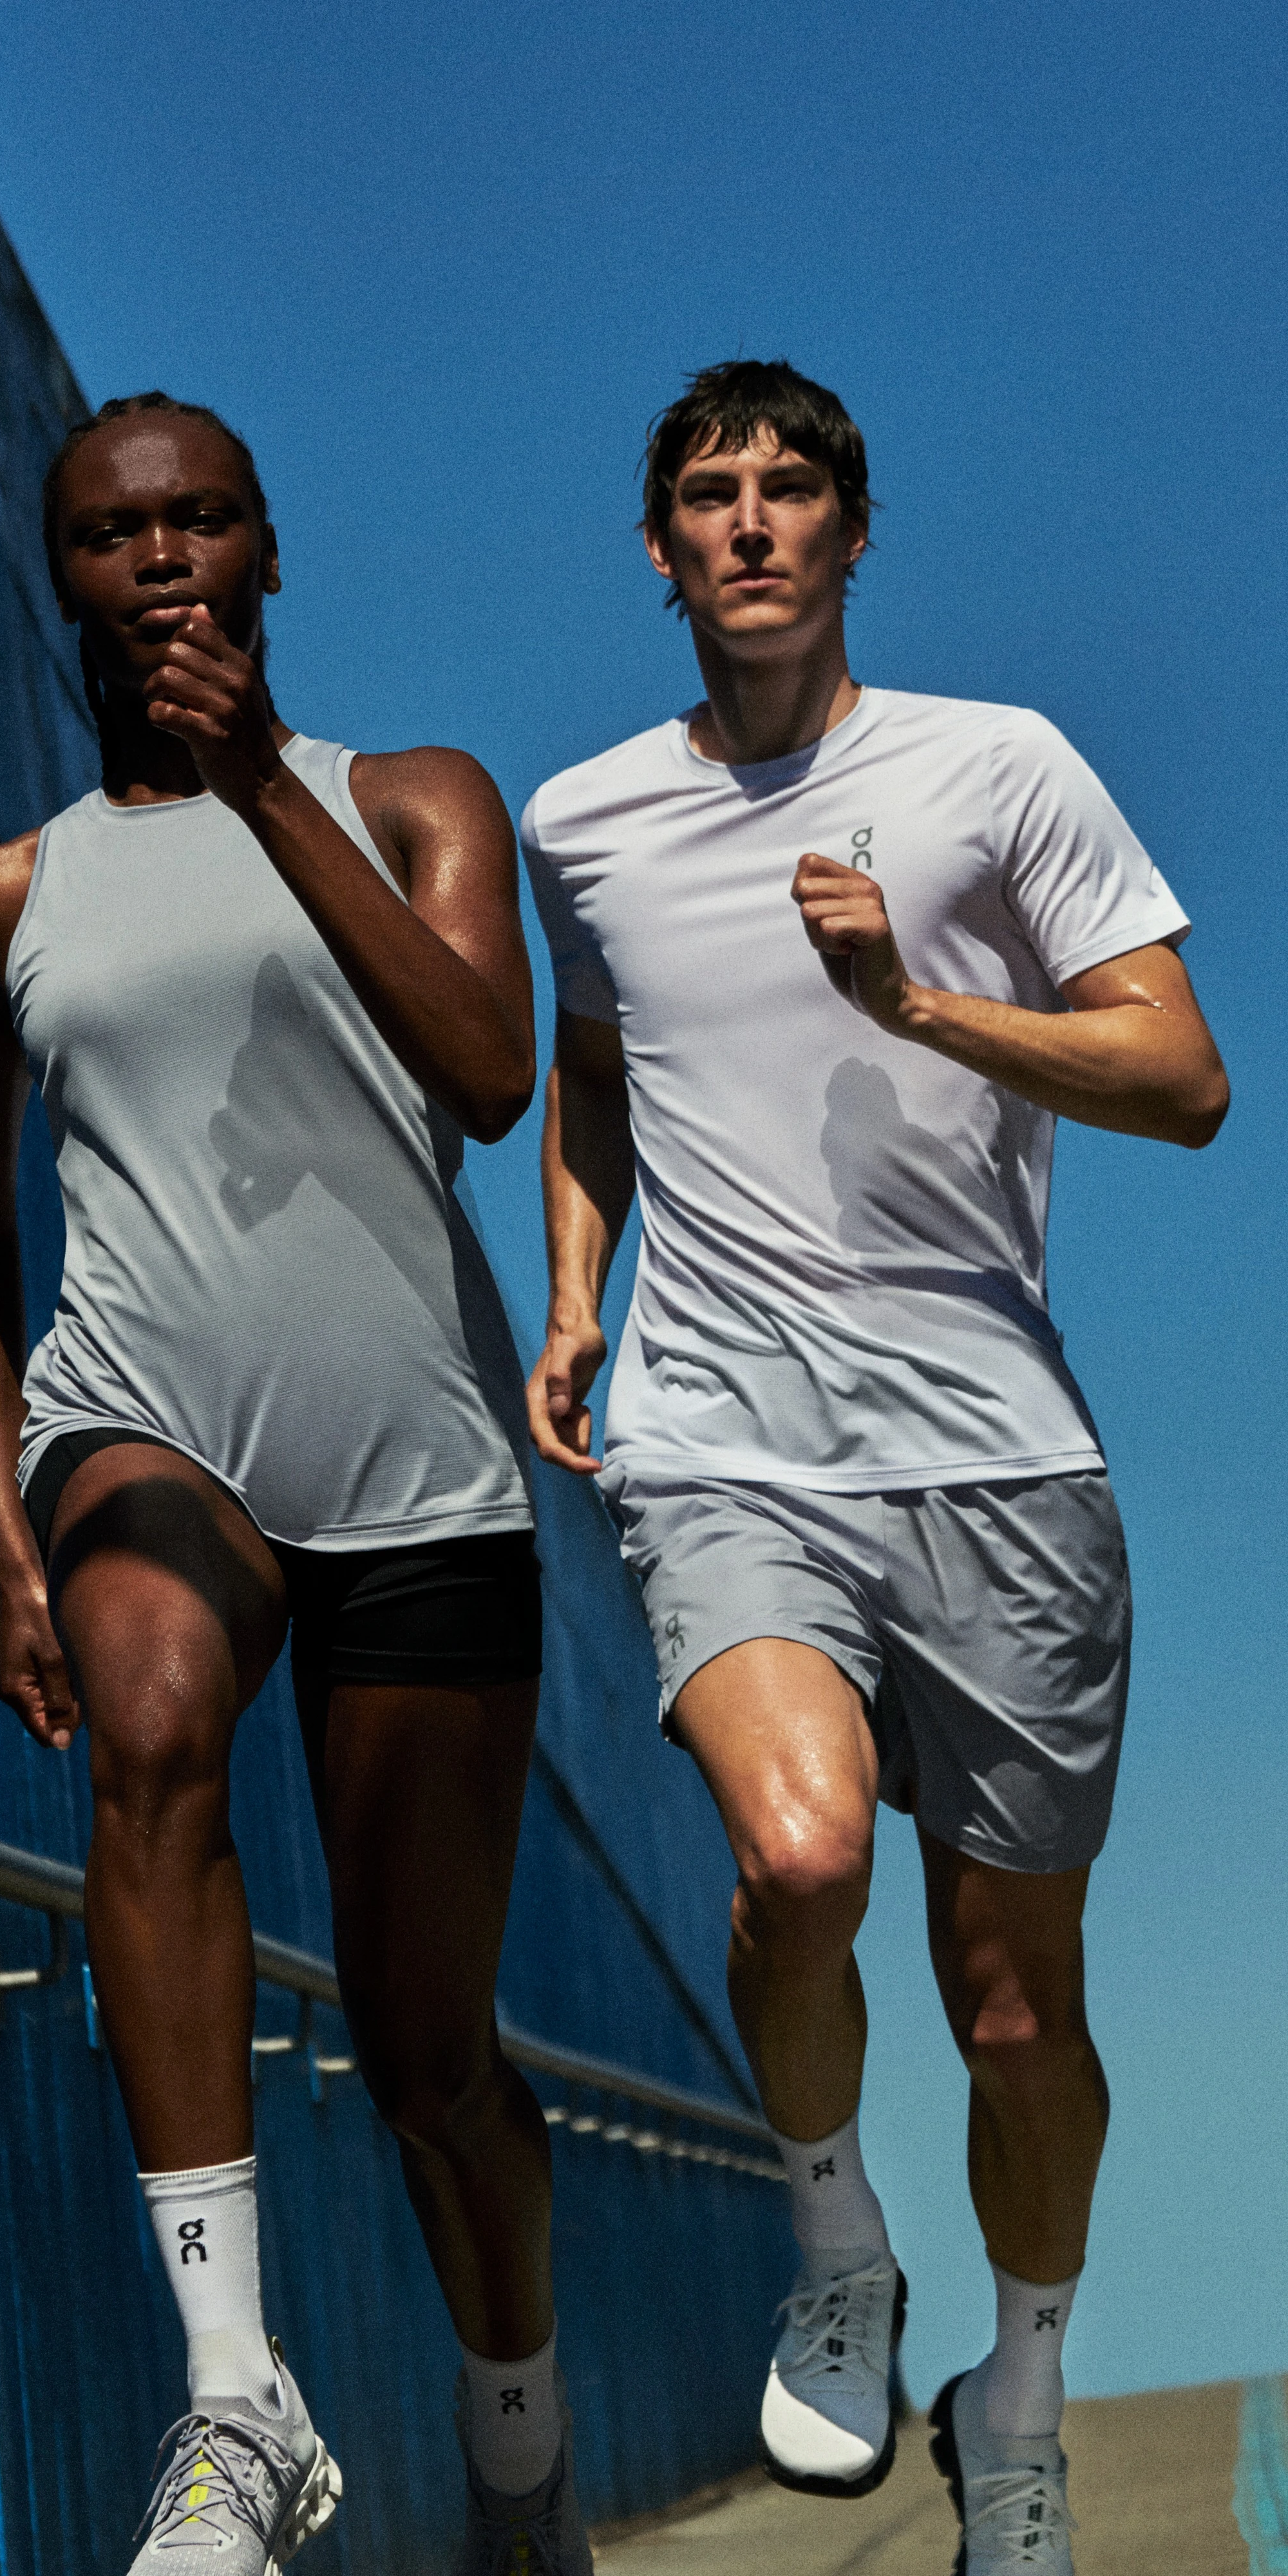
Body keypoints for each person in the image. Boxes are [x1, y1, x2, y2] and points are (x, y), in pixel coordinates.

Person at [522, 359, 1227, 2574]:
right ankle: (841, 2243)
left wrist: (922, 1007)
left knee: (1019, 2013)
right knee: (799, 1864)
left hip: (998, 1460)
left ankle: (1011, 2401)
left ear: (853, 527)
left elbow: (1185, 1076)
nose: (750, 526)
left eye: (790, 489)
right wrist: (577, 1291)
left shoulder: (995, 770)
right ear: (658, 549)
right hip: (724, 1438)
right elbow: (597, 1053)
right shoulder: (585, 822)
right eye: (710, 496)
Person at [0, 390, 593, 2576]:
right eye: (121, 535)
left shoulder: (412, 805)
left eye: (206, 518)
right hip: (146, 1420)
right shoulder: (5, 899)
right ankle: (239, 2402)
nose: (169, 556)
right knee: (149, 1734)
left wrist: (254, 792)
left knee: (427, 2067)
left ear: (270, 550)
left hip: (412, 1465)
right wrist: (17, 1527)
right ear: (71, 584)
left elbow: (495, 1073)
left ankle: (520, 2457)